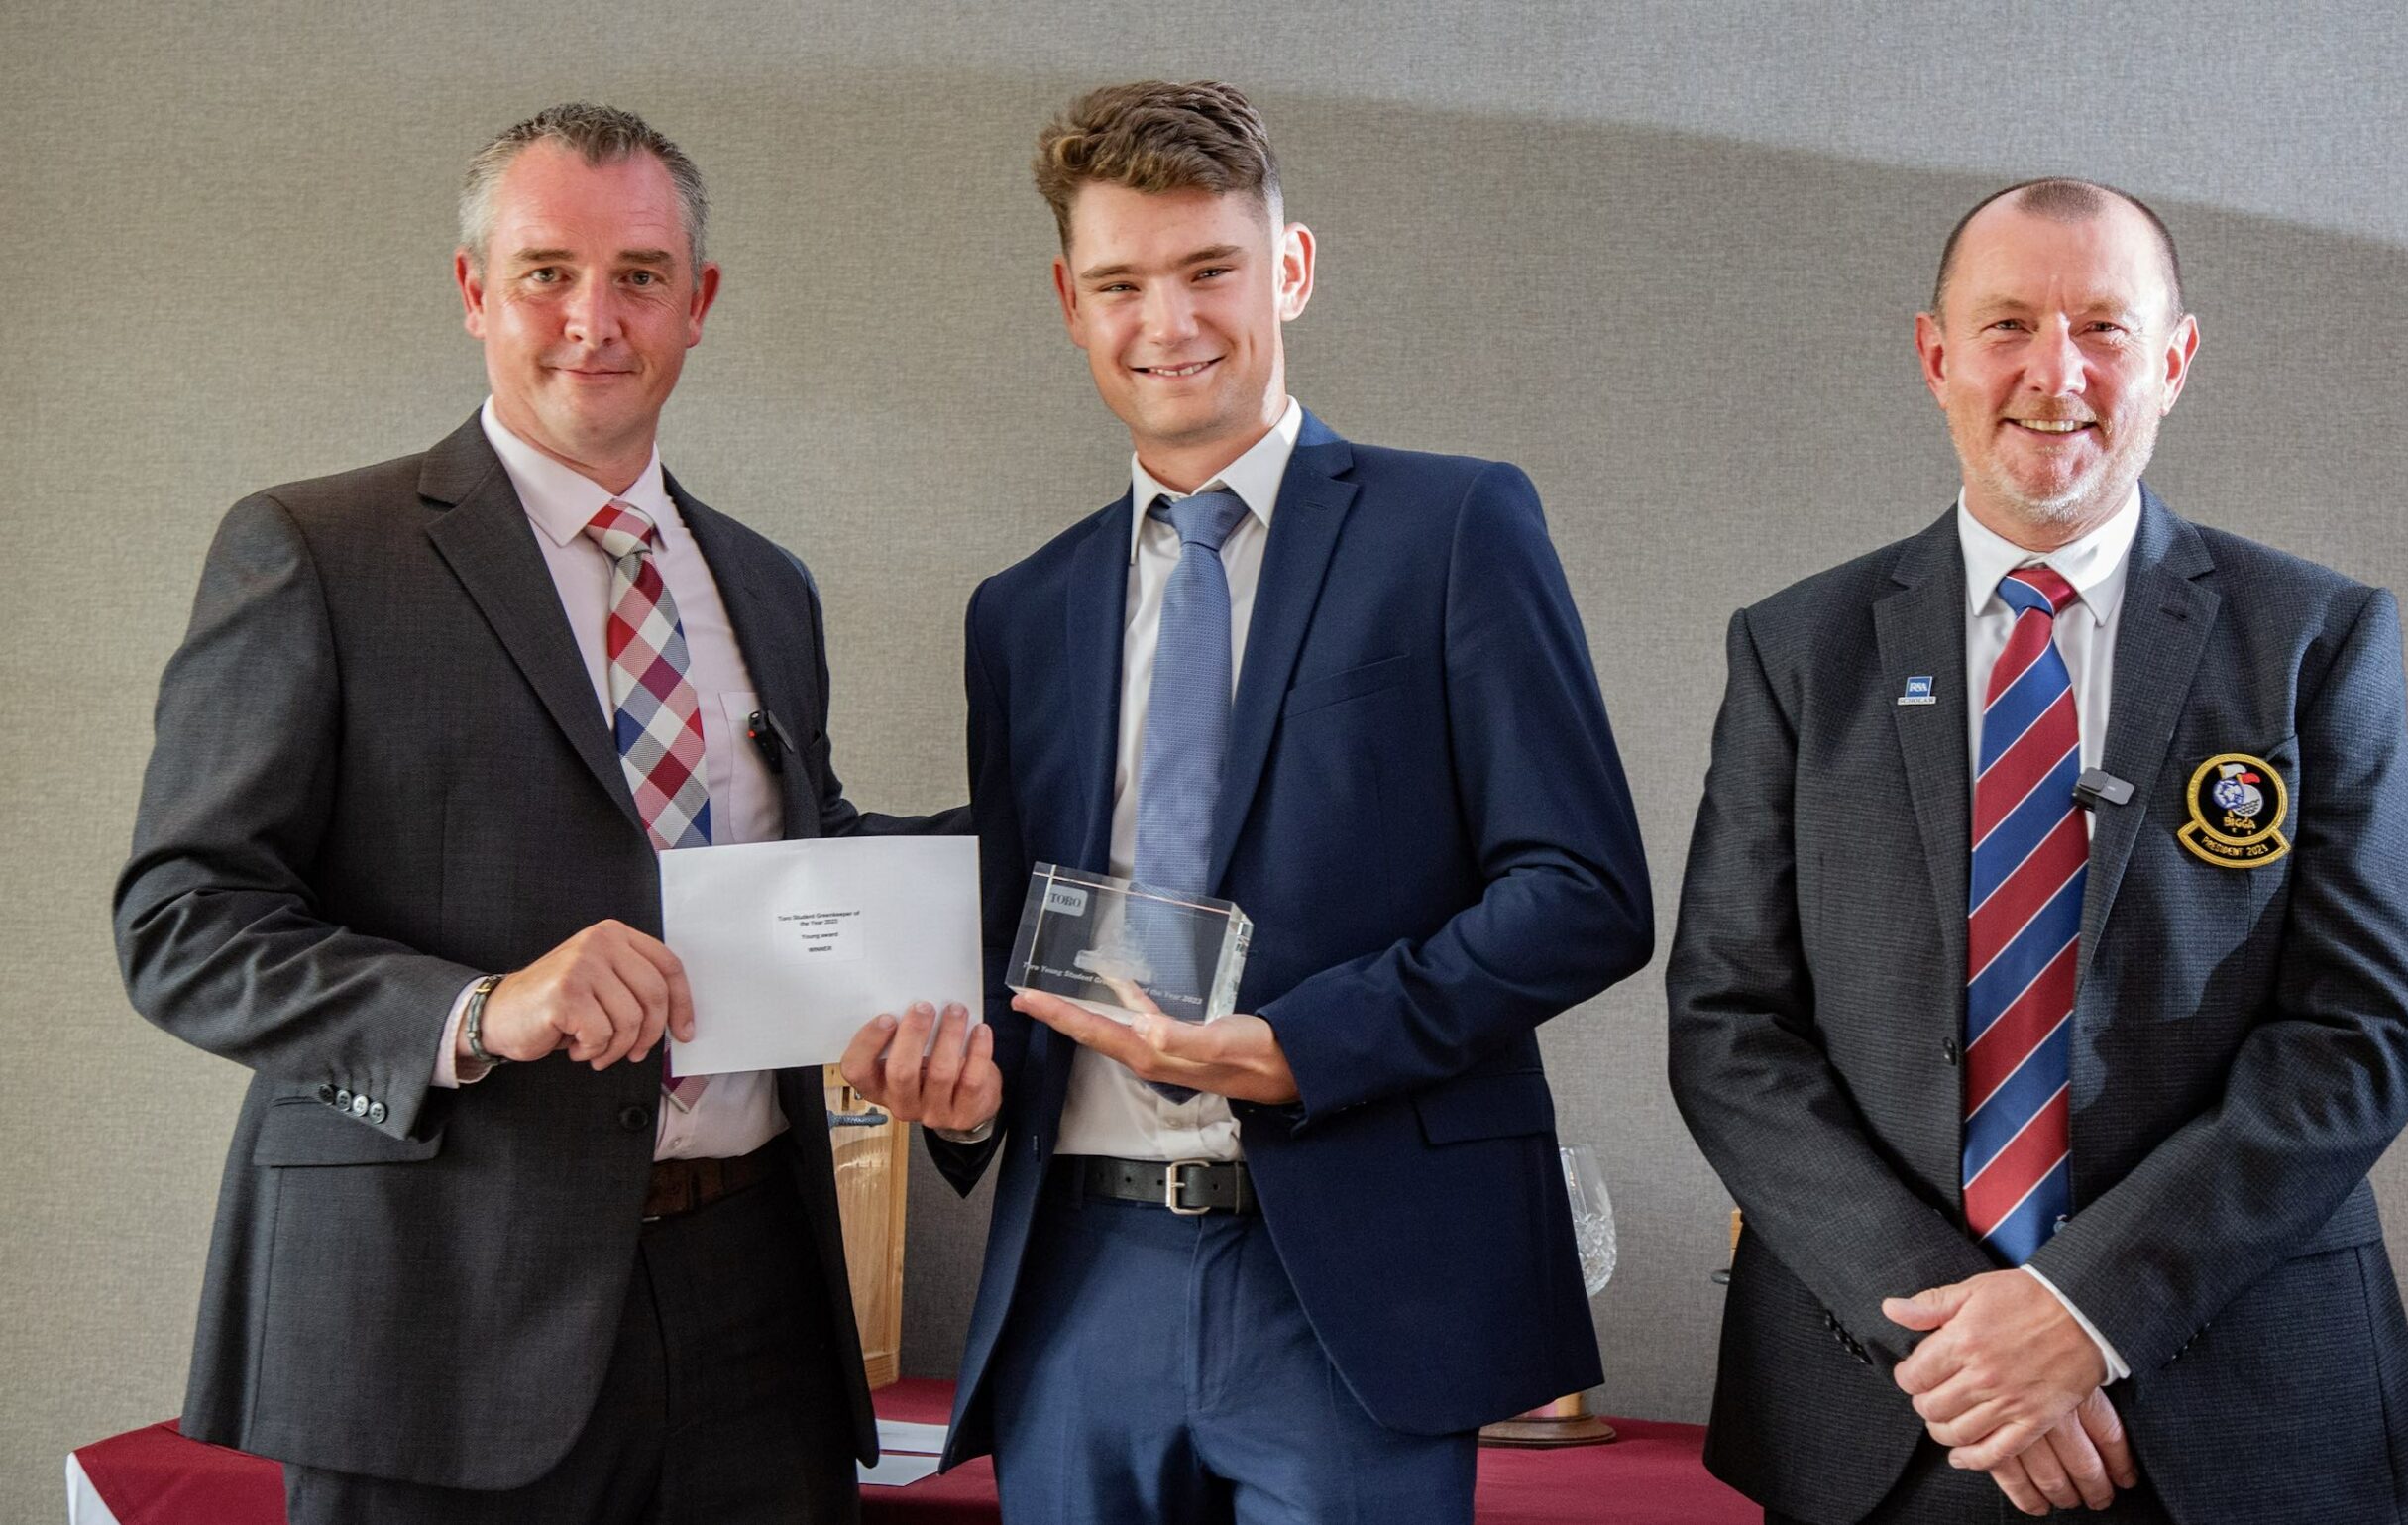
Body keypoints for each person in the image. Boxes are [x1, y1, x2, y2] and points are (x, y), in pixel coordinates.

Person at [114, 103, 959, 1523]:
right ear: (472, 294)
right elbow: (182, 922)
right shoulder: (318, 552)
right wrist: (478, 1007)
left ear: (700, 305)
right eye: (546, 272)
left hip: (758, 1318)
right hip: (440, 1326)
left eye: (639, 275)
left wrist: (1022, 890)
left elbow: (788, 861)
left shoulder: (768, 585)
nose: (593, 318)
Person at [840, 79, 1653, 1523]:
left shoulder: (1456, 527)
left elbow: (1583, 896)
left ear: (1290, 268)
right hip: (1079, 1281)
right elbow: (1020, 935)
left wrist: (1295, 1046)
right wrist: (958, 1103)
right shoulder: (1022, 611)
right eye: (1122, 283)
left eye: (1211, 269)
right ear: (1069, 301)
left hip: (1347, 1275)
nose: (1170, 321)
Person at [1666, 177, 2408, 1524]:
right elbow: (1731, 1027)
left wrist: (2081, 1312)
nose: (2058, 372)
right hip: (1892, 1409)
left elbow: (2356, 1036)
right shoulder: (1801, 652)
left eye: (2103, 326)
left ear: (2175, 360)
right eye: (2010, 325)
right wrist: (1967, 1340)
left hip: (2237, 1401)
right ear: (1935, 356)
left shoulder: (2313, 641)